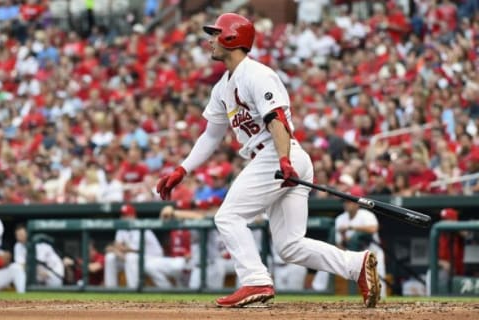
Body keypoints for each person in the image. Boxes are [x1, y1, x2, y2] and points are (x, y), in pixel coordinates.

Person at [156, 13, 381, 308]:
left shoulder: (257, 74)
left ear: (232, 38)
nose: (209, 40)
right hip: (278, 158)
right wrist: (183, 169)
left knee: (228, 216)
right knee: (290, 246)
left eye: (215, 34)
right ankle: (355, 265)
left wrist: (284, 160)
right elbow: (211, 136)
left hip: (277, 154)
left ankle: (254, 280)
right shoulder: (222, 87)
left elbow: (277, 120)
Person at [312, 186, 387, 298]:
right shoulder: (340, 219)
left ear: (357, 203)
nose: (346, 204)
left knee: (379, 288)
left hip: (373, 255)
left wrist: (351, 228)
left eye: (350, 201)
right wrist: (343, 238)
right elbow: (339, 245)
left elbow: (373, 228)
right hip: (354, 257)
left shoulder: (366, 215)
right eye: (345, 201)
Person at [104, 204, 188, 289]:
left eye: (126, 215)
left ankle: (134, 289)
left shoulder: (139, 226)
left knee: (131, 257)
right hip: (137, 258)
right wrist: (117, 250)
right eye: (122, 215)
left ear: (133, 216)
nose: (123, 218)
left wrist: (117, 249)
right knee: (110, 257)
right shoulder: (122, 228)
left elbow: (133, 250)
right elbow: (117, 245)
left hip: (152, 257)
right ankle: (110, 289)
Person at [0, 220, 26, 293]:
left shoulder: (4, 244)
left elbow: (5, 260)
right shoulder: (18, 246)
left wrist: (2, 259)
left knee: (16, 268)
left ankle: (22, 298)